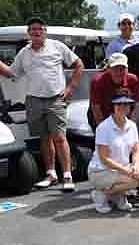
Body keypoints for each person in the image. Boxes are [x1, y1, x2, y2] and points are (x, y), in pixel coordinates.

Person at [1, 17, 85, 191]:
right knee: (44, 139)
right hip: (33, 100)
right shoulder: (24, 52)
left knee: (60, 139)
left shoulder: (57, 46)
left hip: (56, 99)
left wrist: (71, 88)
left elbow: (78, 64)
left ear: (44, 31)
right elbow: (11, 73)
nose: (37, 32)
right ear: (29, 33)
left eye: (40, 29)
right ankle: (51, 174)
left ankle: (67, 176)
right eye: (33, 29)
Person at [88, 95, 139, 213]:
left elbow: (136, 151)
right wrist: (128, 171)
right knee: (134, 180)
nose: (123, 107)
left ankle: (117, 195)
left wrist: (136, 166)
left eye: (126, 104)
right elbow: (104, 158)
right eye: (119, 104)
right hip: (100, 171)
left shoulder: (132, 125)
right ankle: (102, 193)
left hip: (120, 170)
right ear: (113, 106)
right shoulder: (103, 127)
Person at [89, 52, 139, 130]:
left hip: (124, 118)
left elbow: (136, 104)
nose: (119, 72)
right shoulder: (98, 81)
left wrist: (130, 125)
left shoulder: (133, 80)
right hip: (101, 115)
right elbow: (96, 108)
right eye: (115, 69)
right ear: (108, 69)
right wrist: (103, 128)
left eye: (122, 68)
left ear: (127, 69)